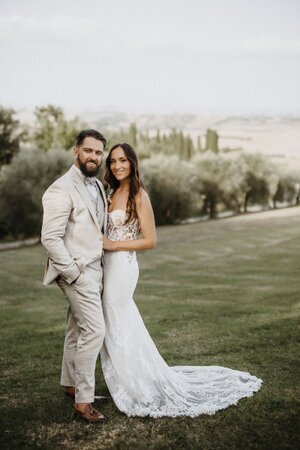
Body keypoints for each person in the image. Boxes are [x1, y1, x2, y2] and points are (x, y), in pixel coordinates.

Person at [101, 142, 262, 418]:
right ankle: (132, 375)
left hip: (123, 266)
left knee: (118, 318)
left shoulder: (139, 196)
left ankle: (136, 382)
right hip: (106, 266)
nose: (117, 165)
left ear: (132, 163)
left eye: (123, 160)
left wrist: (112, 245)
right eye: (113, 160)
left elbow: (150, 240)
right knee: (115, 320)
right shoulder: (111, 192)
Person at [41, 129, 108, 423]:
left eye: (98, 152)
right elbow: (50, 238)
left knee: (77, 329)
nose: (94, 156)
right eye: (89, 150)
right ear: (76, 151)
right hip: (77, 272)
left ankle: (70, 383)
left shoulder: (98, 186)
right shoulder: (60, 188)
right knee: (95, 331)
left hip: (95, 269)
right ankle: (83, 402)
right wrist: (73, 272)